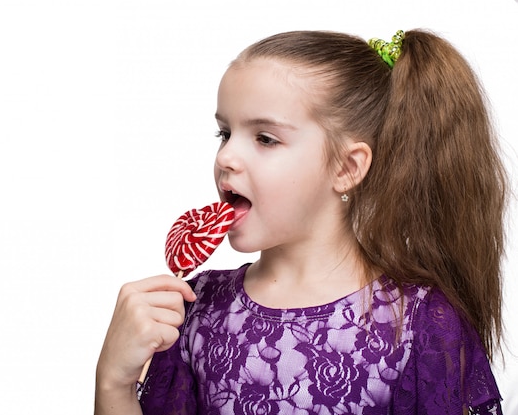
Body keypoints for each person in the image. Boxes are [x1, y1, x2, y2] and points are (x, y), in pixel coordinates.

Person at [94, 29, 507, 414]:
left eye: (265, 138)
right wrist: (115, 382)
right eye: (224, 133)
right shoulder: (194, 310)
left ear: (347, 167)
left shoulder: (420, 323)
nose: (225, 157)